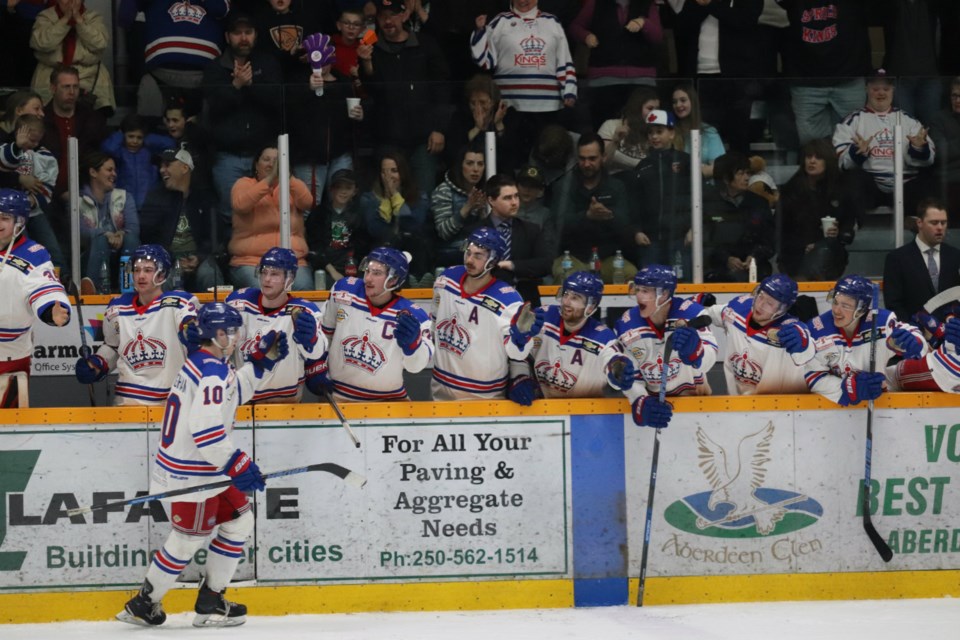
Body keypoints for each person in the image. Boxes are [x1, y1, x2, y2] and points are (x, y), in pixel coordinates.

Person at [117, 302, 287, 628]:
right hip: (190, 475)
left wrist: (260, 364)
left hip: (204, 471)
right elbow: (207, 429)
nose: (237, 337)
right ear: (219, 334)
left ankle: (211, 598)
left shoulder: (203, 362)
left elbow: (230, 393)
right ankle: (144, 603)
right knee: (187, 539)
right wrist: (237, 463)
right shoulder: (212, 370)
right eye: (232, 331)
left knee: (239, 521)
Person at [74, 244, 198, 404]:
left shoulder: (178, 303)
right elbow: (113, 346)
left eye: (147, 270)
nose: (140, 276)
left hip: (171, 402)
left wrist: (194, 330)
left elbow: (189, 325)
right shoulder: (117, 308)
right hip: (128, 402)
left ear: (162, 275)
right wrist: (97, 363)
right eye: (137, 270)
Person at [431, 227, 540, 401]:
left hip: (485, 398)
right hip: (441, 391)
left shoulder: (508, 300)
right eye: (468, 252)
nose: (470, 260)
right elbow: (434, 327)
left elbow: (516, 354)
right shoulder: (445, 280)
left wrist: (521, 344)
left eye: (478, 256)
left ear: (492, 261)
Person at [312, 247, 433, 402]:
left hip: (389, 401)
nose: (368, 278)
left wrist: (413, 345)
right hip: (337, 396)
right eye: (367, 271)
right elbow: (324, 335)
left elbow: (415, 367)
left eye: (377, 273)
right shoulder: (343, 291)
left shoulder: (415, 316)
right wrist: (315, 367)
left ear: (394, 279)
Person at [202, 12, 282, 231]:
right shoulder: (215, 68)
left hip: (263, 157)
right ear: (228, 37)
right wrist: (235, 86)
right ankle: (237, 261)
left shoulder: (267, 64)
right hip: (228, 157)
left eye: (248, 32)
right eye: (237, 33)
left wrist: (251, 84)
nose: (243, 38)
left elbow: (277, 101)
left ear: (256, 35)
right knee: (232, 215)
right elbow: (213, 107)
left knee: (268, 211)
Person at [363, 0, 451, 198]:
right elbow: (371, 93)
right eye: (383, 16)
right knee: (387, 196)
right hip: (388, 138)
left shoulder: (425, 43)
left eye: (393, 15)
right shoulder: (371, 48)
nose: (388, 21)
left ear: (403, 16)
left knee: (423, 196)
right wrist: (367, 64)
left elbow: (442, 88)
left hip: (424, 139)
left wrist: (439, 128)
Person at [615, 264, 717, 428]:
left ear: (665, 293)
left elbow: (710, 357)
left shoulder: (692, 314)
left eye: (646, 291)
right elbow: (630, 377)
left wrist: (695, 351)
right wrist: (640, 401)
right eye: (638, 290)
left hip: (697, 403)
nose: (639, 297)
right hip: (657, 409)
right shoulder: (626, 325)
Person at [509, 271, 631, 402]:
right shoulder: (543, 317)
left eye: (575, 297)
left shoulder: (603, 337)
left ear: (590, 307)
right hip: (541, 408)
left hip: (585, 415)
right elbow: (520, 352)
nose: (566, 302)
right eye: (566, 294)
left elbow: (614, 363)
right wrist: (520, 376)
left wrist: (618, 370)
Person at [804, 274, 926, 406]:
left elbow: (912, 334)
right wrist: (846, 388)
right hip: (831, 407)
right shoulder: (817, 328)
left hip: (879, 404)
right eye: (835, 302)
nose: (836, 310)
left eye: (846, 306)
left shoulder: (881, 322)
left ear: (861, 309)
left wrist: (914, 343)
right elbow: (811, 375)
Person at [833, 72, 936, 226]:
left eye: (886, 89)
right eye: (875, 89)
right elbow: (841, 163)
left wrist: (918, 148)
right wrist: (857, 153)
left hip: (904, 187)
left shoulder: (909, 121)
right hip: (871, 188)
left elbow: (930, 159)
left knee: (927, 182)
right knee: (852, 180)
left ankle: (916, 223)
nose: (881, 93)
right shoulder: (852, 121)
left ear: (893, 91)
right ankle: (850, 226)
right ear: (866, 89)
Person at [226, 247, 326, 403]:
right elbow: (224, 350)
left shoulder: (304, 311)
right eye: (264, 272)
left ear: (290, 278)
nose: (266, 279)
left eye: (274, 274)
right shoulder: (238, 303)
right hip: (243, 400)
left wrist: (311, 340)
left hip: (286, 404)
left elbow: (316, 353)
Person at [0, 188, 70, 408]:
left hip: (9, 357)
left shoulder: (33, 254)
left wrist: (51, 311)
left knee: (8, 429)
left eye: (4, 218)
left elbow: (45, 287)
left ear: (19, 222)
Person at [702, 274, 815, 395]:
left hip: (775, 407)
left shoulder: (789, 332)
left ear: (782, 309)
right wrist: (693, 307)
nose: (760, 305)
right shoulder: (736, 311)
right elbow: (709, 313)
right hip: (736, 405)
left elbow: (809, 354)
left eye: (770, 303)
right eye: (760, 297)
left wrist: (805, 344)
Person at [229, 145, 314, 290]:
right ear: (256, 164)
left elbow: (307, 202)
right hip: (252, 260)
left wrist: (288, 178)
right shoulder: (244, 184)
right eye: (266, 160)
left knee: (303, 287)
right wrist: (269, 180)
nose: (271, 164)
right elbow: (241, 205)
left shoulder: (293, 185)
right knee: (263, 288)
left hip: (292, 261)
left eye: (277, 161)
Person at [554, 133, 636, 283]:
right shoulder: (565, 186)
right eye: (582, 159)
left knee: (631, 275)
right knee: (564, 275)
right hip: (572, 256)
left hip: (608, 257)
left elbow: (627, 226)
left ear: (603, 157)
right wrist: (587, 216)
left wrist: (609, 216)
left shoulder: (616, 187)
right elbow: (558, 226)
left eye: (592, 158)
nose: (586, 164)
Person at [139, 146, 222, 292]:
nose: (162, 170)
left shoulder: (204, 198)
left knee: (210, 274)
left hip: (198, 259)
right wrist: (171, 259)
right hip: (167, 261)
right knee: (162, 279)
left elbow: (215, 237)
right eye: (161, 165)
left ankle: (213, 314)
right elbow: (147, 238)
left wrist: (199, 257)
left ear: (184, 168)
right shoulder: (155, 197)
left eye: (167, 165)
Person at [570, 0, 662, 129]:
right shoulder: (596, 3)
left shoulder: (647, 4)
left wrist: (644, 23)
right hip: (603, 78)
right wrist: (586, 36)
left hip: (641, 78)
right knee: (605, 128)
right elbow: (575, 27)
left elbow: (658, 36)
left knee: (643, 130)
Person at [777, 138, 854, 281]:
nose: (812, 161)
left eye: (818, 157)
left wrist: (839, 232)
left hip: (830, 254)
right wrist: (803, 247)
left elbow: (848, 226)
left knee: (823, 251)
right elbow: (779, 231)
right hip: (795, 255)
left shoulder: (840, 190)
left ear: (828, 161)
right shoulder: (791, 190)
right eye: (808, 157)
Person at [626, 109, 691, 271]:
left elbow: (700, 197)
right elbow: (634, 202)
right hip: (650, 240)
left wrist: (694, 229)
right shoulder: (643, 166)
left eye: (659, 132)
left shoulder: (686, 161)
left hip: (680, 238)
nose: (654, 137)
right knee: (650, 286)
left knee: (683, 285)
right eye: (651, 132)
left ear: (672, 133)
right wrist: (636, 231)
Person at [30, 0, 115, 114]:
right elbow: (42, 43)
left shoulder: (93, 17)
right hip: (51, 74)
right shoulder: (46, 16)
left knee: (91, 121)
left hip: (88, 75)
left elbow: (100, 44)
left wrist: (79, 21)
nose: (71, 2)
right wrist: (65, 20)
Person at [883, 198, 960, 325]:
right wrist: (913, 332)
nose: (940, 227)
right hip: (914, 335)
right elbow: (894, 304)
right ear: (919, 222)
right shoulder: (897, 259)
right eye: (934, 223)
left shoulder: (956, 256)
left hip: (951, 335)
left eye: (943, 222)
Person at [702, 152, 775, 283]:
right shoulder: (708, 204)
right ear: (725, 178)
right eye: (741, 174)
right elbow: (704, 243)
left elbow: (770, 240)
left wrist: (754, 257)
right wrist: (726, 259)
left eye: (748, 173)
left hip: (756, 271)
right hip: (717, 271)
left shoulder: (759, 203)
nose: (746, 178)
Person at [77, 151, 140, 290]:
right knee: (101, 240)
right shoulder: (77, 201)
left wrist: (121, 234)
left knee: (131, 239)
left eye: (115, 170)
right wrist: (105, 234)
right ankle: (94, 290)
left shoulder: (124, 196)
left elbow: (134, 228)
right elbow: (79, 233)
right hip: (90, 257)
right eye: (109, 170)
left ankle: (128, 288)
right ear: (93, 172)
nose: (114, 174)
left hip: (121, 255)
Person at [305, 168, 371, 287]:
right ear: (331, 189)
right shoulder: (319, 214)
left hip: (353, 269)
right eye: (339, 187)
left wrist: (357, 270)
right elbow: (315, 248)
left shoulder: (360, 214)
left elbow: (363, 248)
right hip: (325, 269)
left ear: (354, 191)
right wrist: (332, 271)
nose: (343, 191)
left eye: (348, 188)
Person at [100, 113, 174, 209]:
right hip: (124, 204)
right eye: (130, 136)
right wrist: (120, 134)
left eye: (139, 137)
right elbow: (108, 148)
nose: (135, 141)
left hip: (148, 203)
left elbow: (170, 144)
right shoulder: (120, 152)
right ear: (123, 135)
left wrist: (148, 139)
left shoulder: (148, 150)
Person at [431, 142, 487, 268]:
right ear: (460, 165)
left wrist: (482, 212)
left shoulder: (484, 191)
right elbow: (444, 232)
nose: (475, 169)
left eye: (480, 164)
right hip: (450, 253)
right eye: (470, 163)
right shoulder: (444, 191)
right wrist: (467, 208)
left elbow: (488, 233)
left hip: (479, 252)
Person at [596, 85, 660, 176]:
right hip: (614, 183)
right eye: (650, 108)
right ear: (636, 109)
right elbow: (601, 162)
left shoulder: (654, 133)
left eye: (657, 109)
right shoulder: (610, 125)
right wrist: (615, 141)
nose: (655, 113)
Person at [670, 83, 724, 178]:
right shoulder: (670, 132)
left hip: (705, 188)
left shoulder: (709, 132)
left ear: (693, 102)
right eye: (674, 102)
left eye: (683, 100)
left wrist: (689, 170)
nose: (678, 105)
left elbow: (720, 167)